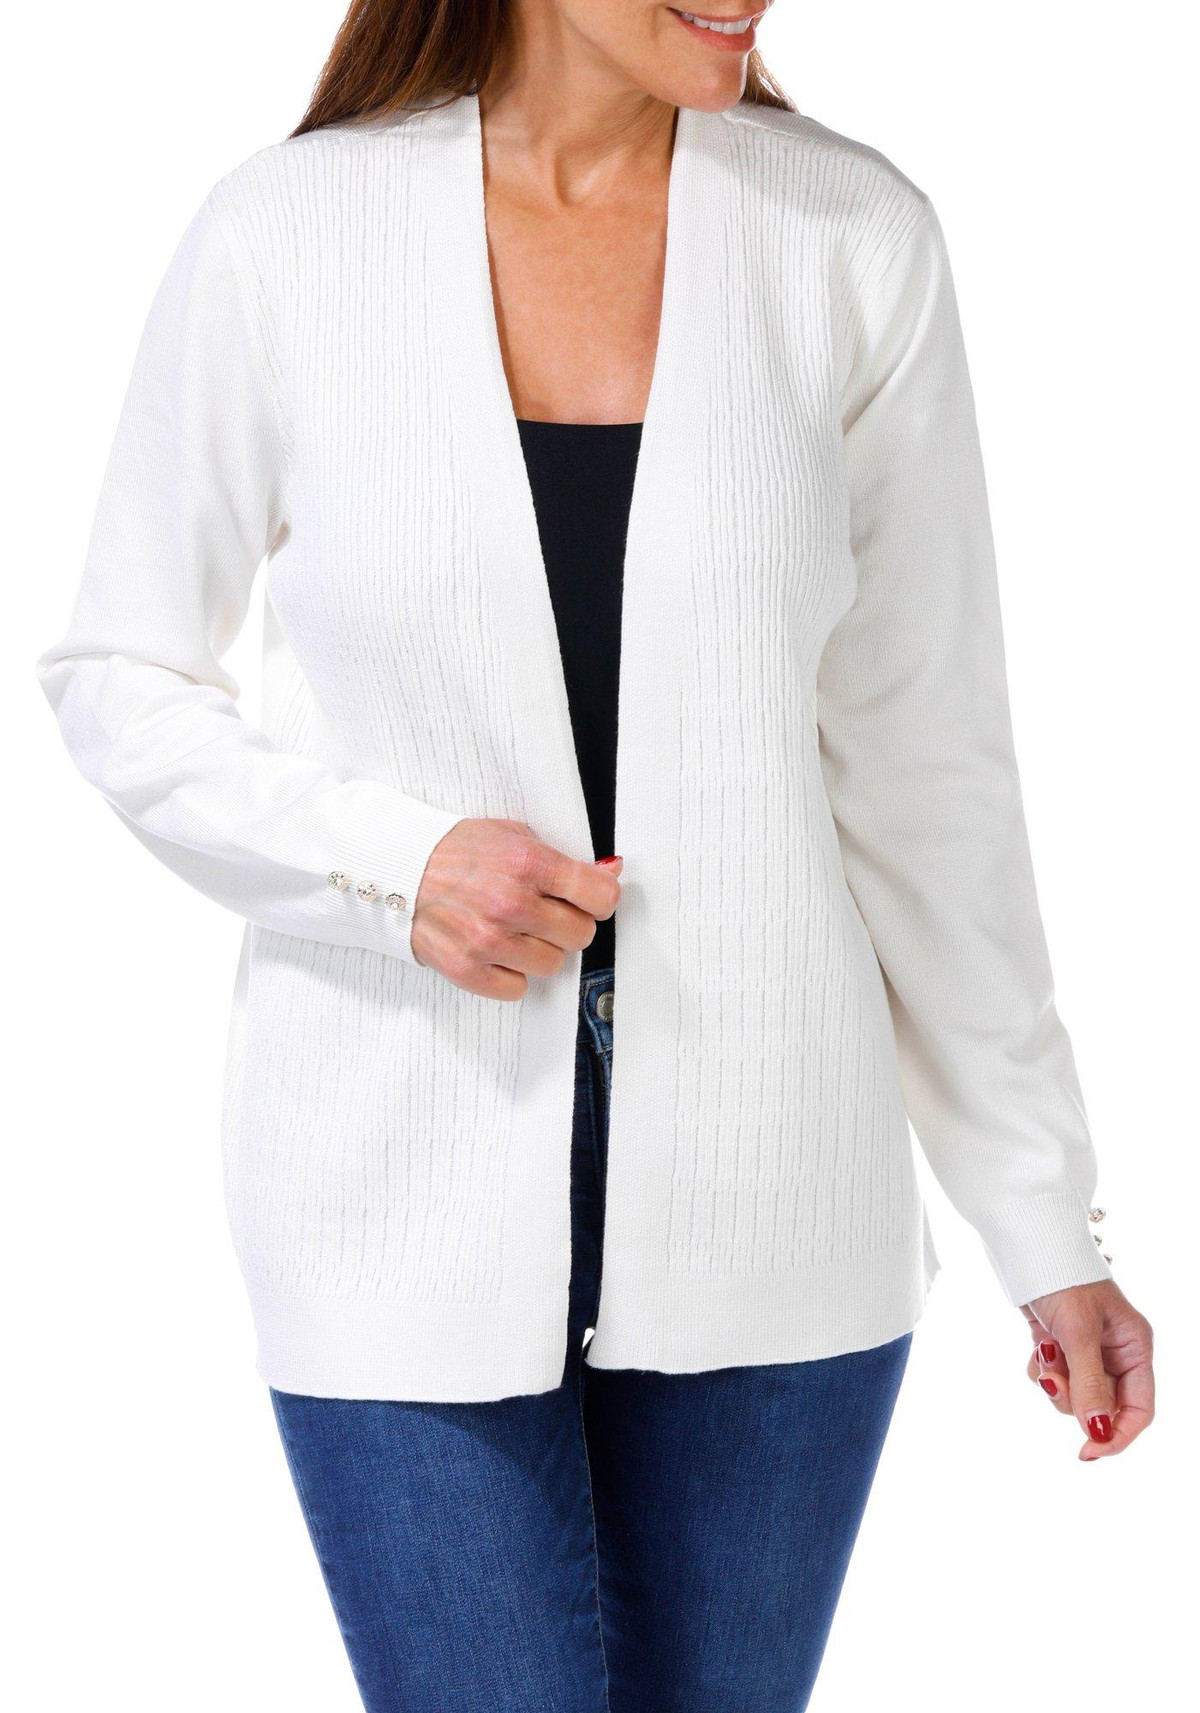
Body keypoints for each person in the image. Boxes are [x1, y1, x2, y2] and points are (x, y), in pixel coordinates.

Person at [36, 2, 1155, 1709]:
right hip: (391, 1193)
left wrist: (1041, 1213)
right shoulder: (289, 234)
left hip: (781, 1194)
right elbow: (122, 677)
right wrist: (392, 867)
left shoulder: (851, 237)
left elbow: (929, 767)